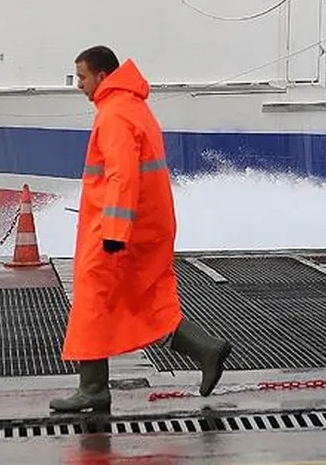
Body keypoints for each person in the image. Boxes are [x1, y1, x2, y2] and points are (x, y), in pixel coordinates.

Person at [50, 45, 232, 413]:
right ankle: (206, 349)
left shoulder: (114, 115)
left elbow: (122, 176)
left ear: (102, 76)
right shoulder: (133, 107)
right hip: (146, 225)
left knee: (92, 299)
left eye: (82, 77)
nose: (79, 84)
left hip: (119, 229)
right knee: (143, 301)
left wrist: (114, 233)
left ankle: (93, 389)